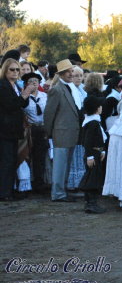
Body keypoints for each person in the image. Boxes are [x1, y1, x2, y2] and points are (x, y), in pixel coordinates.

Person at [44, 59, 81, 202]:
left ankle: (62, 191)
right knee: (60, 166)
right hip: (61, 133)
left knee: (65, 165)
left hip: (69, 132)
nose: (71, 74)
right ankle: (58, 193)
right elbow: (49, 113)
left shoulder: (69, 88)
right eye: (68, 72)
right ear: (61, 74)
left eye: (72, 71)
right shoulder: (57, 89)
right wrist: (48, 133)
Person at [0, 59, 36, 200]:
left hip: (13, 129)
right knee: (6, 161)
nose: (15, 72)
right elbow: (10, 106)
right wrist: (25, 94)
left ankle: (9, 189)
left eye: (17, 70)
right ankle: (4, 193)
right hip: (5, 129)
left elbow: (22, 104)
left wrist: (25, 94)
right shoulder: (2, 86)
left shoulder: (14, 85)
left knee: (12, 161)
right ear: (5, 70)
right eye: (12, 70)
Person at [78, 95, 107, 214]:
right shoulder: (92, 123)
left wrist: (102, 150)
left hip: (96, 152)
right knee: (92, 178)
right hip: (92, 154)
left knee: (94, 177)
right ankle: (91, 203)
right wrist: (90, 156)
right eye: (100, 106)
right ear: (96, 108)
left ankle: (91, 202)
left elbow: (99, 138)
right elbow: (88, 141)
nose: (101, 107)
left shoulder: (94, 120)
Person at [22, 72, 49, 193]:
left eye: (36, 81)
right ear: (26, 84)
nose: (34, 83)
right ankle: (27, 182)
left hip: (42, 128)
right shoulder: (24, 97)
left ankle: (39, 182)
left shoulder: (44, 96)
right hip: (30, 129)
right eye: (31, 81)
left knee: (40, 157)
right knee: (28, 156)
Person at [67, 66, 87, 192]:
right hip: (74, 125)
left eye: (81, 76)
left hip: (82, 125)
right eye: (76, 76)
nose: (79, 78)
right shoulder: (70, 90)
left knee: (80, 153)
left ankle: (80, 182)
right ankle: (73, 183)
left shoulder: (82, 90)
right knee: (74, 154)